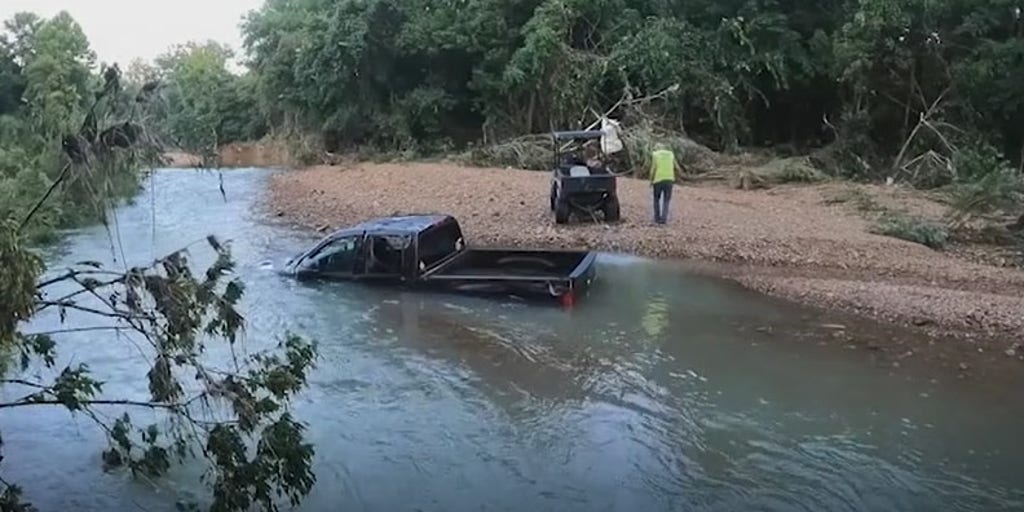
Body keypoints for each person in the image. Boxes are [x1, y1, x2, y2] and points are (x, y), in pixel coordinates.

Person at [649, 143, 677, 224]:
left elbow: (653, 169)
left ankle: (657, 218)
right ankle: (664, 219)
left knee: (656, 199)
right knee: (666, 200)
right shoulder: (671, 154)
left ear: (657, 148)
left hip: (658, 179)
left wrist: (651, 181)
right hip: (669, 179)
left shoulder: (655, 154)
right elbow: (674, 166)